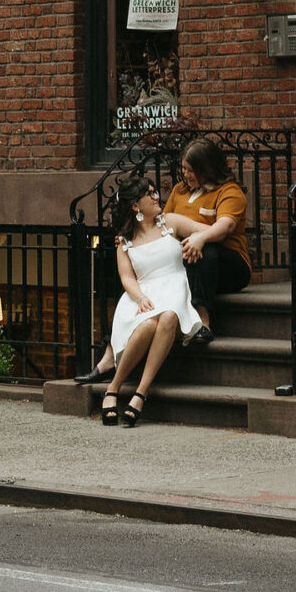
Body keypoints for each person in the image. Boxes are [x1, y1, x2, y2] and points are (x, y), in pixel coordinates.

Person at [95, 175, 202, 425]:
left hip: (174, 286)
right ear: (135, 206)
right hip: (141, 295)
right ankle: (113, 389)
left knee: (169, 315)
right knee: (147, 325)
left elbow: (205, 230)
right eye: (150, 194)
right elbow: (126, 276)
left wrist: (200, 238)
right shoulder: (124, 239)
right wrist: (140, 297)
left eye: (156, 192)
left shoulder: (170, 223)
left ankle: (140, 393)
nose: (157, 197)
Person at [163, 136, 251, 342]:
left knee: (204, 249)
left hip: (231, 266)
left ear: (208, 168)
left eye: (191, 170)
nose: (186, 174)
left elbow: (225, 226)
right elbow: (164, 224)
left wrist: (200, 237)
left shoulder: (229, 191)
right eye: (184, 169)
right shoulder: (179, 191)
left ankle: (203, 322)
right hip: (188, 260)